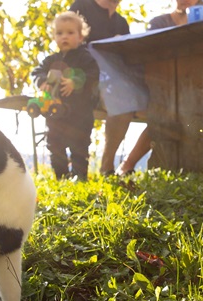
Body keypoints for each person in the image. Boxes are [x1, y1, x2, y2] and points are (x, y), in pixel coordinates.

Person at [115, 0, 203, 176]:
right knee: (164, 111)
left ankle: (202, 162)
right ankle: (128, 164)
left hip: (194, 86)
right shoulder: (159, 22)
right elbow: (149, 51)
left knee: (196, 107)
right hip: (158, 84)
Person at [31, 11, 100, 180]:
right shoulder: (50, 60)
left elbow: (93, 74)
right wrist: (41, 81)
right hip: (55, 114)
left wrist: (74, 82)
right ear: (54, 37)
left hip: (80, 114)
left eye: (70, 33)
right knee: (55, 144)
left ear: (80, 36)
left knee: (79, 147)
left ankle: (79, 177)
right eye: (60, 33)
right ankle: (61, 177)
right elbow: (36, 72)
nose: (65, 37)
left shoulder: (85, 58)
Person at [69, 0, 131, 176]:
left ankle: (107, 167)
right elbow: (68, 46)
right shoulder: (81, 7)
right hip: (84, 82)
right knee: (121, 98)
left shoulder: (122, 23)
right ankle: (79, 172)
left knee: (137, 99)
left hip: (114, 83)